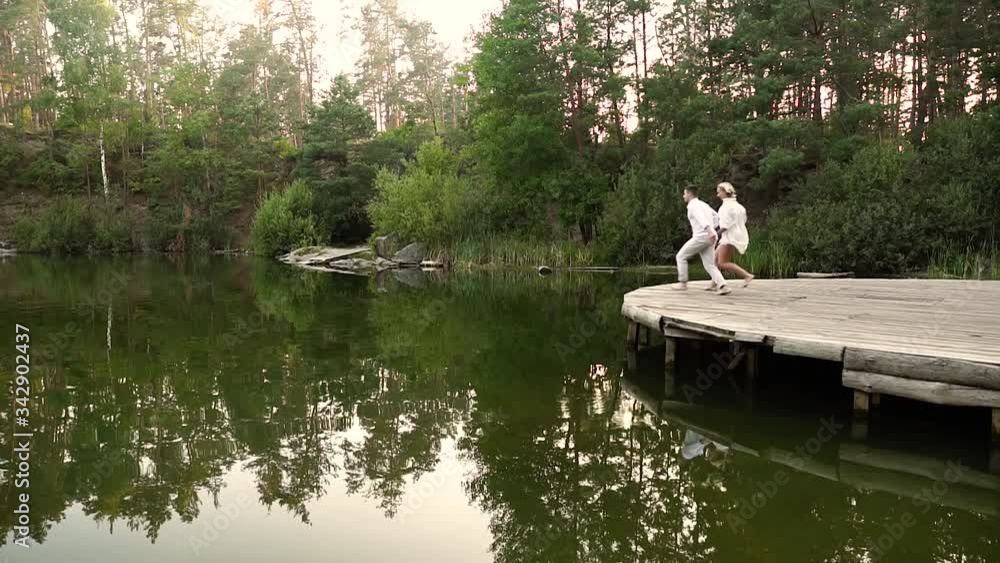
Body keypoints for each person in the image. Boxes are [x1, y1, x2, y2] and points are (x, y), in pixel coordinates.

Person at [673, 186, 730, 295]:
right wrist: (713, 229)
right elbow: (716, 217)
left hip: (702, 237)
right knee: (709, 264)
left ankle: (683, 284)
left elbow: (701, 218)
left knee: (681, 256)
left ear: (690, 194)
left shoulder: (692, 206)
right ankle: (723, 286)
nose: (683, 196)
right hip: (710, 236)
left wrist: (709, 230)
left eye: (684, 194)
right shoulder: (704, 204)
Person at [714, 182, 754, 287]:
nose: (718, 195)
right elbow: (743, 220)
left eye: (719, 192)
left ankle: (747, 275)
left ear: (724, 192)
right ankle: (714, 283)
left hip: (729, 238)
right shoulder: (739, 207)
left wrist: (715, 234)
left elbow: (725, 226)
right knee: (714, 259)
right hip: (736, 235)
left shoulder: (725, 208)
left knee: (722, 262)